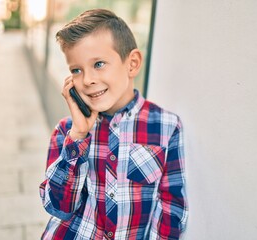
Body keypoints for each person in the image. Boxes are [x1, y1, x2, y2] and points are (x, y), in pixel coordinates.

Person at [39, 8, 188, 240]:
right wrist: (78, 135)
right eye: (76, 70)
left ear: (132, 64)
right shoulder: (67, 132)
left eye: (98, 64)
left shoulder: (167, 126)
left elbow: (171, 206)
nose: (87, 80)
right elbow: (58, 207)